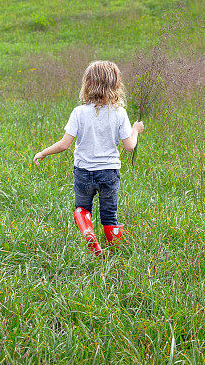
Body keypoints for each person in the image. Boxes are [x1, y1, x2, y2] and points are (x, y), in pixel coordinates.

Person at [33, 60, 144, 255]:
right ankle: (114, 251)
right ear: (115, 85)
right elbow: (129, 146)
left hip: (83, 173)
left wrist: (43, 152)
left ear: (88, 84)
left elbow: (64, 144)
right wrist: (136, 130)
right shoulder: (119, 113)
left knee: (82, 208)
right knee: (109, 215)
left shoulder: (79, 112)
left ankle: (87, 232)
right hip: (109, 174)